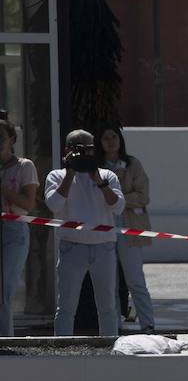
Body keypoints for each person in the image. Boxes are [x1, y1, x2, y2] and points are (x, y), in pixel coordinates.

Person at [45, 129, 126, 337]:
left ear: (94, 150)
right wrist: (70, 172)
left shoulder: (107, 175)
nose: (83, 155)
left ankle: (111, 350)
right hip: (72, 247)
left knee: (107, 307)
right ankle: (61, 353)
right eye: (78, 150)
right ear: (67, 151)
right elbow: (53, 205)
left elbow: (118, 207)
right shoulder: (57, 175)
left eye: (87, 149)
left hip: (104, 247)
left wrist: (98, 180)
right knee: (66, 307)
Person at [97, 124, 155, 332]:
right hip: (105, 229)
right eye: (106, 137)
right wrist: (117, 198)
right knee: (109, 283)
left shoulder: (132, 164)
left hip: (130, 228)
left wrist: (117, 197)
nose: (111, 141)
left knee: (135, 280)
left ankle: (148, 325)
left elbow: (143, 197)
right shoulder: (97, 168)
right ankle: (113, 327)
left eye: (114, 136)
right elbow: (98, 200)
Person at [0, 120, 38, 336]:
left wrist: (4, 189)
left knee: (4, 290)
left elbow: (28, 204)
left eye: (1, 137)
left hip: (13, 231)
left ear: (12, 140)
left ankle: (5, 341)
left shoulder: (25, 166)